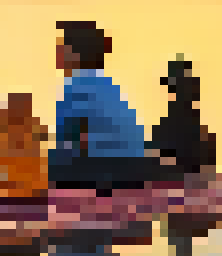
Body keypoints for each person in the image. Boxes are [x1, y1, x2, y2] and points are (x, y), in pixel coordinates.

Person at [48, 20, 169, 191]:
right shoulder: (107, 85)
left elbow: (69, 142)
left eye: (62, 47)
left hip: (109, 169)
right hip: (136, 167)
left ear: (75, 54)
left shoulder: (75, 87)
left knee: (43, 166)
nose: (58, 53)